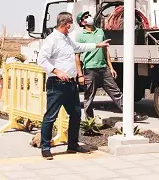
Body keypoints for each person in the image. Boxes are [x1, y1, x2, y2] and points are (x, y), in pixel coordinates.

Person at [36, 11, 110, 159]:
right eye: (70, 24)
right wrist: (56, 71)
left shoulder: (67, 38)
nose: (71, 27)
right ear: (65, 24)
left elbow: (78, 47)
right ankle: (45, 148)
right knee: (51, 116)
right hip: (56, 84)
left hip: (70, 84)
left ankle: (73, 145)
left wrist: (97, 45)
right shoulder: (52, 40)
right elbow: (41, 59)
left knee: (76, 114)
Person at [74, 11, 148, 121]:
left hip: (104, 69)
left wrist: (111, 67)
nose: (89, 17)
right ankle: (90, 121)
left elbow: (105, 51)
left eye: (89, 15)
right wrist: (80, 75)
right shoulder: (80, 36)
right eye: (85, 17)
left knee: (116, 93)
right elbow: (77, 56)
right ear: (82, 22)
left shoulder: (100, 32)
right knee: (89, 96)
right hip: (89, 70)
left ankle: (131, 115)